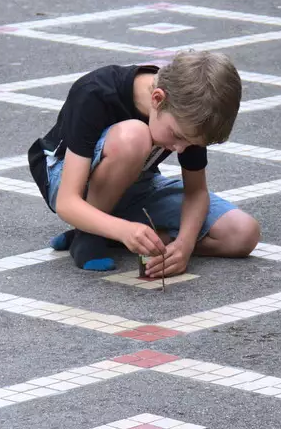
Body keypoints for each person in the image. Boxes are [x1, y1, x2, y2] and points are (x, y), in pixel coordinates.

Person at [27, 50, 261, 275]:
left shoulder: (190, 114)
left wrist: (184, 245)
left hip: (137, 183)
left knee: (242, 233)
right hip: (66, 179)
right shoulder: (95, 92)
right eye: (177, 136)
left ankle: (110, 235)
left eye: (191, 143)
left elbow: (197, 192)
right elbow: (68, 202)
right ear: (158, 99)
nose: (180, 148)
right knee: (135, 137)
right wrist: (124, 229)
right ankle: (89, 235)